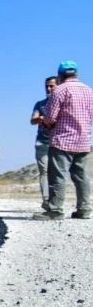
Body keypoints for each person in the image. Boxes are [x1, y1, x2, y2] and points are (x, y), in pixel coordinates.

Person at [33, 61, 93, 220]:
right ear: (77, 74)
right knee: (81, 177)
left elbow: (50, 118)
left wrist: (45, 123)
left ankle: (55, 211)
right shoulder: (89, 91)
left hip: (62, 141)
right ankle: (84, 209)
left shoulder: (59, 91)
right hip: (84, 141)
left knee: (57, 176)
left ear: (59, 76)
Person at [31, 76, 58, 210]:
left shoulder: (63, 103)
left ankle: (56, 201)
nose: (48, 89)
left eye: (51, 86)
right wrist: (40, 118)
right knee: (44, 171)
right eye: (46, 86)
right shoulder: (40, 104)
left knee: (58, 172)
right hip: (42, 142)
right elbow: (33, 120)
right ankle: (46, 200)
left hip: (59, 143)